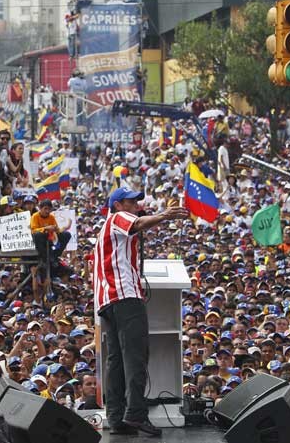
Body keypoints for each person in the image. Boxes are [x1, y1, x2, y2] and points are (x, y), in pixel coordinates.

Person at [93, 186, 189, 436]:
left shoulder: (104, 230)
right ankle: (135, 413)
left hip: (108, 301)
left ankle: (117, 418)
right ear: (117, 205)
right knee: (136, 356)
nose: (136, 205)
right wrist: (165, 215)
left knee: (116, 361)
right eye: (130, 202)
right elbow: (137, 224)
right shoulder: (117, 217)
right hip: (125, 296)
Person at [30, 199, 71, 267]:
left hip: (51, 237)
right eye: (45, 209)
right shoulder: (35, 216)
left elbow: (57, 229)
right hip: (40, 239)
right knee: (37, 235)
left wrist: (62, 228)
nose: (47, 211)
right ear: (40, 208)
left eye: (49, 209)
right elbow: (33, 230)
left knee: (66, 234)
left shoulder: (51, 216)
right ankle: (45, 258)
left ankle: (55, 256)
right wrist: (46, 228)